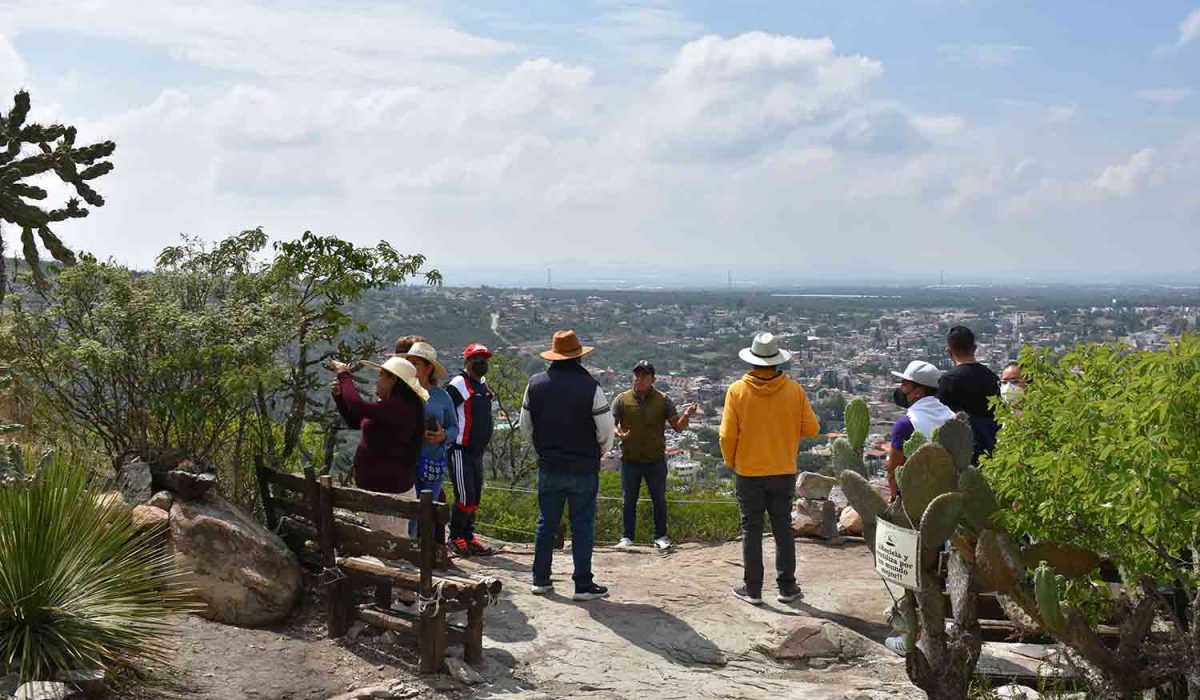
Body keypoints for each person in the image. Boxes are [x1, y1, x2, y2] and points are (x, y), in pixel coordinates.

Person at [720, 332, 819, 606]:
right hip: (783, 469)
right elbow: (812, 429)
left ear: (752, 360)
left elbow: (727, 436)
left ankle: (753, 590)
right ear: (777, 362)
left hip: (749, 472)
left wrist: (732, 461)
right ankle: (787, 587)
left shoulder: (737, 391)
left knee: (751, 529)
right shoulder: (794, 390)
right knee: (782, 528)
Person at [520, 330, 615, 601]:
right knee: (582, 525)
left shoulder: (535, 385)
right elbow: (606, 431)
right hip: (583, 467)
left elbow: (526, 428)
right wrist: (598, 452)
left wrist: (543, 449)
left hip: (550, 466)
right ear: (578, 356)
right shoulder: (591, 387)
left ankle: (541, 579)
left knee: (546, 523)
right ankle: (582, 584)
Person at [330, 356, 429, 536]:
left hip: (388, 493)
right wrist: (339, 397)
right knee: (389, 542)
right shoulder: (392, 407)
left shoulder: (399, 408)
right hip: (382, 491)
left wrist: (344, 375)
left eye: (382, 375)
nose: (377, 380)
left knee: (392, 545)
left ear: (393, 380)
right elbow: (355, 419)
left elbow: (358, 407)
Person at [611, 360, 697, 551]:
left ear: (653, 379)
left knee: (659, 499)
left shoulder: (663, 399)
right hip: (630, 459)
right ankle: (627, 537)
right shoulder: (622, 399)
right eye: (637, 375)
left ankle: (661, 536)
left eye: (645, 376)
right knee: (628, 500)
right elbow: (612, 423)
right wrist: (618, 433)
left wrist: (687, 414)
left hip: (655, 459)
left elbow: (678, 427)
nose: (640, 379)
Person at [397, 340, 459, 539]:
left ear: (428, 368)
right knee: (406, 511)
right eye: (410, 362)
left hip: (431, 462)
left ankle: (425, 556)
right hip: (405, 462)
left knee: (426, 513)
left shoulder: (442, 397)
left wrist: (443, 436)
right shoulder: (403, 393)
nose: (412, 367)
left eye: (416, 363)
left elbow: (455, 427)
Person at [446, 343, 496, 557]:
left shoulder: (482, 384)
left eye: (484, 359)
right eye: (476, 359)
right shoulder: (459, 383)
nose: (481, 363)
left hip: (477, 451)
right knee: (465, 495)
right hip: (460, 449)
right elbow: (445, 408)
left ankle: (468, 535)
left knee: (475, 496)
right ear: (466, 363)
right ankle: (455, 537)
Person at [887, 360, 956, 497]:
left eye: (904, 385)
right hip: (951, 498)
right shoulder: (954, 417)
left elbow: (893, 472)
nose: (901, 389)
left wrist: (894, 501)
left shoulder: (906, 424)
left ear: (917, 393)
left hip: (916, 500)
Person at [937, 326, 1000, 462]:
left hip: (961, 454)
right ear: (975, 348)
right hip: (993, 450)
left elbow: (940, 421)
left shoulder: (947, 381)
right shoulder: (992, 378)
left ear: (949, 351)